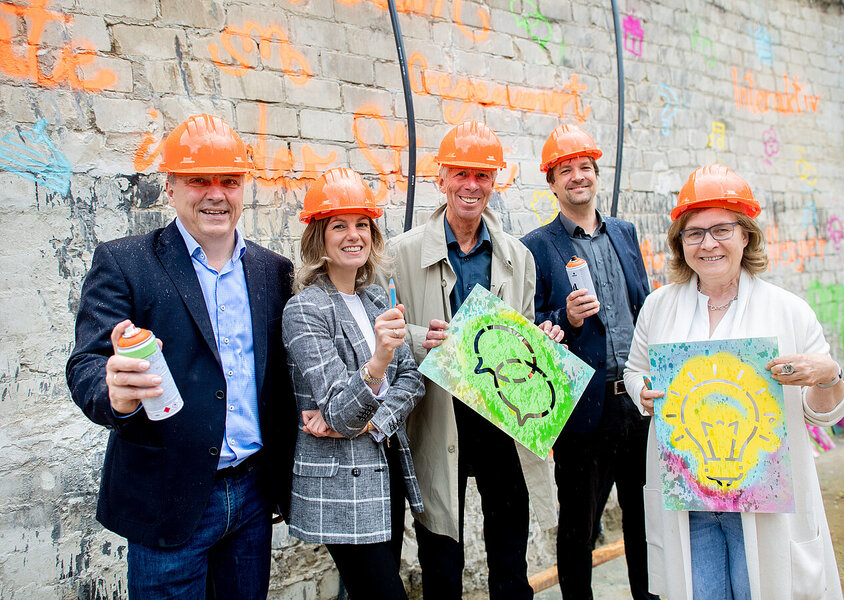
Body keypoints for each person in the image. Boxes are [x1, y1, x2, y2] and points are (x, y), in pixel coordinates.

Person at [65, 114, 296, 599]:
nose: (216, 194)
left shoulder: (273, 270)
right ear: (170, 187)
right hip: (167, 498)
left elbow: (278, 378)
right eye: (198, 181)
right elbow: (87, 363)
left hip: (252, 494)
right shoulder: (125, 261)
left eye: (229, 181)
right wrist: (114, 392)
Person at [624, 164, 844, 600]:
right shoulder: (658, 306)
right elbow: (635, 373)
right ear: (681, 243)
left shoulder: (788, 311)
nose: (708, 244)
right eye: (694, 233)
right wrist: (643, 393)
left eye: (721, 229)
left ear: (746, 235)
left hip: (763, 504)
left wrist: (829, 376)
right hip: (692, 500)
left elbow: (824, 413)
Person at [385, 121, 558, 600]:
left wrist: (539, 340)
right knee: (441, 554)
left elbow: (522, 327)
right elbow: (378, 333)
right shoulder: (400, 254)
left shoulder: (517, 256)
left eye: (482, 175)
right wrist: (421, 337)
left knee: (509, 551)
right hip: (437, 419)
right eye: (461, 173)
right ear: (441, 179)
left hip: (502, 421)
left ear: (494, 182)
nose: (471, 185)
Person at [520, 124, 657, 600]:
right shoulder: (536, 246)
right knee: (578, 525)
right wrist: (565, 318)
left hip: (636, 403)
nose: (577, 177)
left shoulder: (624, 232)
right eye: (565, 171)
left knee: (645, 520)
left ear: (596, 176)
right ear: (552, 184)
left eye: (585, 168)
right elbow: (531, 326)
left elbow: (643, 303)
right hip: (582, 410)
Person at [282, 168, 425, 600]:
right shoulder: (304, 310)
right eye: (339, 225)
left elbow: (413, 380)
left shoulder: (377, 298)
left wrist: (374, 423)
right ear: (319, 237)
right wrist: (379, 361)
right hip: (343, 483)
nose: (353, 235)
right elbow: (341, 413)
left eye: (362, 224)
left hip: (386, 467)